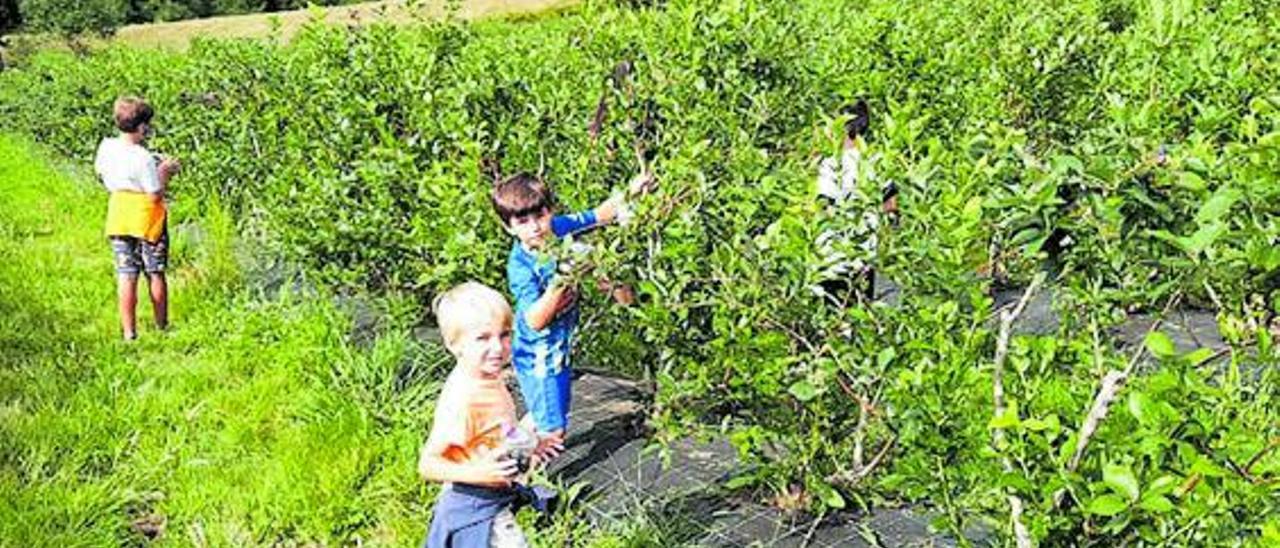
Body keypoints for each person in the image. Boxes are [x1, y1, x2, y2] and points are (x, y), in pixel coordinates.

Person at [490, 171, 655, 442]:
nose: (535, 227)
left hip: (557, 351)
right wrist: (565, 275)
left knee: (543, 414)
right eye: (523, 220)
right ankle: (520, 478)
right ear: (509, 227)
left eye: (540, 216)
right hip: (538, 357)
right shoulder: (520, 266)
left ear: (550, 212)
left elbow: (599, 214)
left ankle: (507, 453)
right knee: (553, 431)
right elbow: (535, 320)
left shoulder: (558, 229)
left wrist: (632, 190)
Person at [418, 282, 564, 548]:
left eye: (505, 334)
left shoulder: (488, 376)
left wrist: (533, 444)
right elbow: (428, 465)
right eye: (483, 338)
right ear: (454, 344)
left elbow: (501, 429)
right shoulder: (464, 398)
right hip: (475, 506)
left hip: (492, 498)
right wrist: (481, 471)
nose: (498, 347)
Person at [95, 96, 180, 340]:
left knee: (126, 273)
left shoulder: (106, 147)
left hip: (119, 214)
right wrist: (164, 172)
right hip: (146, 218)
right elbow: (155, 194)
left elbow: (102, 174)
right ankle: (162, 327)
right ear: (142, 126)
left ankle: (129, 333)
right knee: (155, 272)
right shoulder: (143, 157)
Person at [814, 99, 898, 307]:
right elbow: (891, 207)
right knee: (858, 311)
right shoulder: (876, 161)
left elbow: (823, 205)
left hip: (832, 256)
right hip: (865, 254)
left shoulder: (830, 164)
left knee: (833, 314)